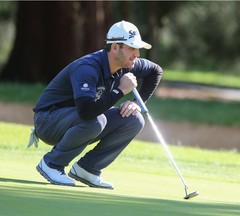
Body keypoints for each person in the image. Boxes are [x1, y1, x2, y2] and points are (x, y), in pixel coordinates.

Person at [28, 20, 163, 189]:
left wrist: (137, 102)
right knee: (96, 120)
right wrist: (121, 90)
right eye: (131, 48)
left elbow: (156, 71)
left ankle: (87, 169)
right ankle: (52, 164)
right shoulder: (88, 68)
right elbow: (86, 112)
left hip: (78, 119)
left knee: (134, 119)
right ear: (115, 47)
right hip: (48, 122)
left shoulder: (128, 63)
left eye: (137, 48)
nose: (136, 53)